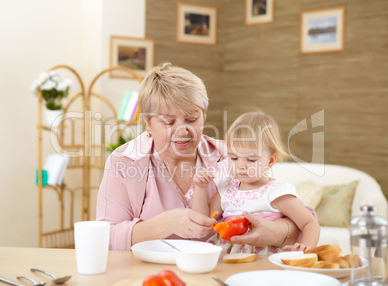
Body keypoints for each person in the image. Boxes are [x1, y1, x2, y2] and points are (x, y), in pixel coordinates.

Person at [96, 62, 305, 251]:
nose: (183, 130)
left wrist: (276, 232)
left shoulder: (231, 156)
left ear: (204, 116)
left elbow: (300, 217)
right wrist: (166, 223)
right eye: (168, 122)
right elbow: (103, 238)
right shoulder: (124, 161)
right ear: (148, 123)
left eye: (192, 118)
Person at [192, 111, 320, 254]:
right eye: (234, 158)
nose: (240, 165)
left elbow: (310, 223)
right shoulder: (226, 187)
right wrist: (200, 187)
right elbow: (201, 220)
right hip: (226, 256)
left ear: (270, 161)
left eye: (251, 160)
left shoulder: (276, 193)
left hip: (261, 259)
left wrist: (306, 248)